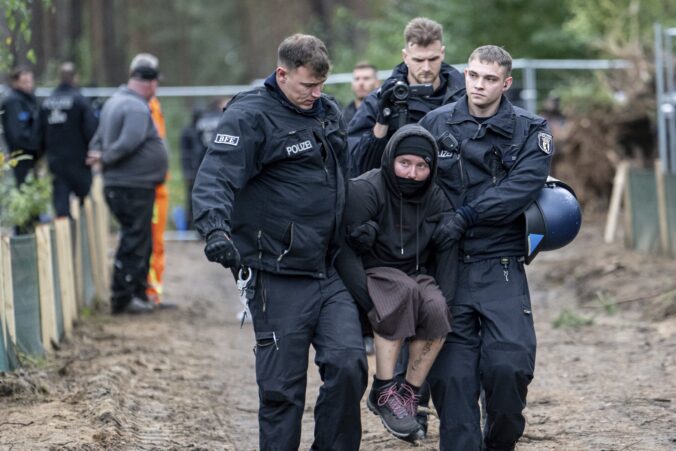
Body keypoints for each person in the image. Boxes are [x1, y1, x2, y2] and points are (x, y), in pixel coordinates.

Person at [191, 34, 367, 451]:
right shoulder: (250, 116)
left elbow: (345, 178)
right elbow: (216, 175)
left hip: (329, 269)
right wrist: (215, 229)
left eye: (321, 85)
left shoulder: (328, 112)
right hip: (277, 275)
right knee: (281, 391)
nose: (316, 94)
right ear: (282, 73)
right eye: (308, 85)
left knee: (349, 365)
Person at [419, 45, 554, 451]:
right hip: (448, 266)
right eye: (474, 75)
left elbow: (520, 188)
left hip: (501, 264)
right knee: (452, 383)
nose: (479, 85)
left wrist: (465, 216)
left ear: (506, 83)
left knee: (509, 369)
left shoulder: (532, 130)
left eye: (490, 79)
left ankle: (500, 441)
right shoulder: (434, 123)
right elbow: (409, 178)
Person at [335, 124, 456, 443]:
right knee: (401, 292)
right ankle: (384, 388)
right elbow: (342, 250)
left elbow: (446, 253)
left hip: (416, 272)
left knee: (436, 308)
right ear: (390, 160)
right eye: (405, 163)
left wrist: (448, 295)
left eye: (421, 166)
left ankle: (409, 393)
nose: (412, 174)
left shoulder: (436, 197)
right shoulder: (365, 189)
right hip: (375, 270)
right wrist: (365, 300)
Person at [87, 53, 168, 315]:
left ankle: (137, 291)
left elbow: (98, 140)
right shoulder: (134, 106)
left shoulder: (114, 102)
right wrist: (106, 157)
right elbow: (129, 142)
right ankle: (124, 296)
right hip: (132, 186)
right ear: (151, 83)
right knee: (134, 240)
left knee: (136, 238)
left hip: (126, 184)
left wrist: (99, 155)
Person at [347, 17, 465, 176]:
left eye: (433, 59)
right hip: (399, 194)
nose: (426, 67)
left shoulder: (465, 96)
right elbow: (358, 166)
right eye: (418, 59)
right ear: (405, 56)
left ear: (442, 53)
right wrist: (383, 120)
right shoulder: (380, 99)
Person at [40, 62, 98, 218]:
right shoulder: (80, 101)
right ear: (75, 78)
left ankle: (65, 235)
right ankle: (81, 235)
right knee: (83, 200)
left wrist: (42, 154)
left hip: (56, 160)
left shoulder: (47, 102)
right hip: (78, 160)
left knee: (61, 203)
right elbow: (91, 129)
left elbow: (39, 131)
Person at [1, 67, 41, 187]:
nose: (29, 85)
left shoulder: (30, 99)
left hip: (32, 153)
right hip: (20, 154)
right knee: (24, 186)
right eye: (25, 82)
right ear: (15, 83)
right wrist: (34, 144)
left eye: (30, 81)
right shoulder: (13, 102)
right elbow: (17, 133)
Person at [179, 107, 205, 230]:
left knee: (202, 200)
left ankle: (200, 228)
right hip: (191, 172)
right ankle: (190, 227)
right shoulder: (187, 131)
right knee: (190, 201)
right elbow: (184, 154)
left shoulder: (201, 131)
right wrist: (186, 173)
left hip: (201, 171)